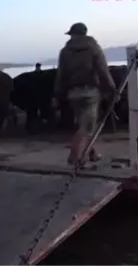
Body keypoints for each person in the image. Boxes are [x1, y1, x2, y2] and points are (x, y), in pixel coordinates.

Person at [52, 22, 116, 166]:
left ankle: (92, 153)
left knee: (83, 123)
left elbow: (61, 75)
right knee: (87, 126)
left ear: (72, 34)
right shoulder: (94, 48)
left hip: (73, 93)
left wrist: (58, 94)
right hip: (91, 92)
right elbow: (103, 71)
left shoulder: (65, 51)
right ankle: (75, 156)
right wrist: (111, 89)